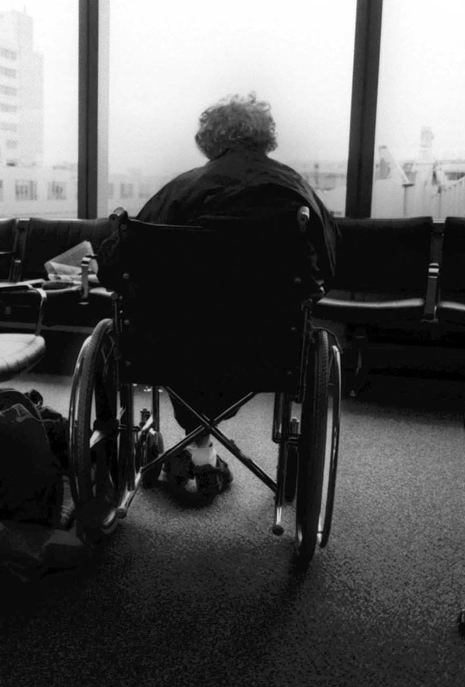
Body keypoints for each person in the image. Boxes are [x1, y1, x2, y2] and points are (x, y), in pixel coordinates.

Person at [97, 92, 339, 498]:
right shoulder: (295, 191)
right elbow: (326, 271)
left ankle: (195, 444)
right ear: (265, 137)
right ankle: (203, 449)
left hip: (170, 345)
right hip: (266, 347)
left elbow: (118, 265)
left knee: (166, 334)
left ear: (209, 140)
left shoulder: (182, 189)